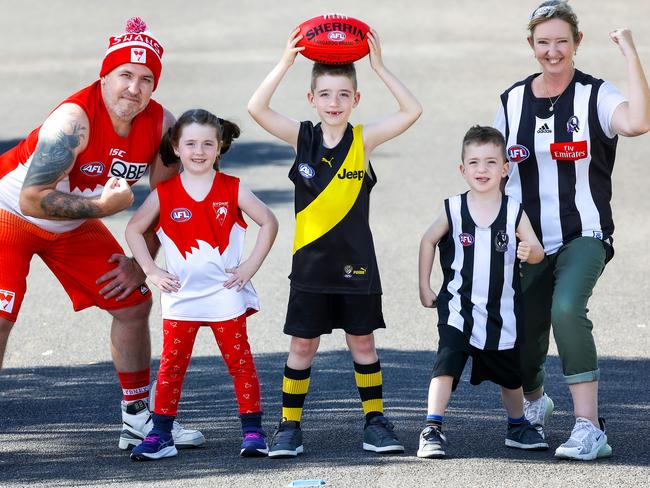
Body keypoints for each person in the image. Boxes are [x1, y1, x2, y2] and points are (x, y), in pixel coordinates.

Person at [0, 17, 204, 450]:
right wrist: (101, 208)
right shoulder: (72, 120)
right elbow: (35, 198)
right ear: (104, 76)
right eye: (124, 76)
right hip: (9, 214)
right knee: (0, 318)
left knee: (133, 302)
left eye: (145, 79)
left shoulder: (161, 124)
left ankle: (136, 418)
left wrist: (140, 263)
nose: (134, 88)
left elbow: (167, 202)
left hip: (71, 223)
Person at [247, 27, 422, 457]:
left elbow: (412, 110)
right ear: (312, 99)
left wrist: (378, 67)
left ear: (356, 100)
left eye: (344, 95)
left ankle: (375, 423)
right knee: (302, 346)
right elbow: (256, 107)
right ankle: (288, 426)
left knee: (363, 343)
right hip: (310, 268)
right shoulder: (301, 138)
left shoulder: (364, 141)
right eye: (325, 95)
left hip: (358, 266)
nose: (334, 103)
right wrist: (286, 62)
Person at [494, 0, 650, 460]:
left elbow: (638, 122)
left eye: (562, 41)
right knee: (522, 338)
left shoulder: (596, 95)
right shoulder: (512, 99)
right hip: (529, 238)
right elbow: (494, 170)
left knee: (566, 309)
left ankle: (589, 428)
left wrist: (630, 53)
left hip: (585, 234)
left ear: (577, 43)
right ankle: (537, 401)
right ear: (531, 46)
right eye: (544, 42)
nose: (553, 51)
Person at [125, 109, 279, 460]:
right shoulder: (164, 193)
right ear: (176, 148)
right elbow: (133, 228)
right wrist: (150, 270)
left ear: (220, 146)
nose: (199, 151)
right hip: (181, 297)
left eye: (207, 144)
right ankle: (162, 435)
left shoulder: (233, 188)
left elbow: (268, 222)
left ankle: (253, 432)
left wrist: (249, 268)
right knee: (171, 366)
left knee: (240, 363)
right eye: (190, 143)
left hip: (225, 294)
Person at [417, 125, 547, 459]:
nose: (482, 169)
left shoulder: (513, 211)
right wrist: (424, 285)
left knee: (510, 376)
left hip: (501, 312)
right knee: (446, 362)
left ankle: (518, 425)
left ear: (505, 168)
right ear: (462, 170)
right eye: (474, 162)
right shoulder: (454, 209)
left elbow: (537, 250)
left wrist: (529, 249)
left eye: (491, 162)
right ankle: (432, 427)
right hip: (458, 306)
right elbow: (428, 240)